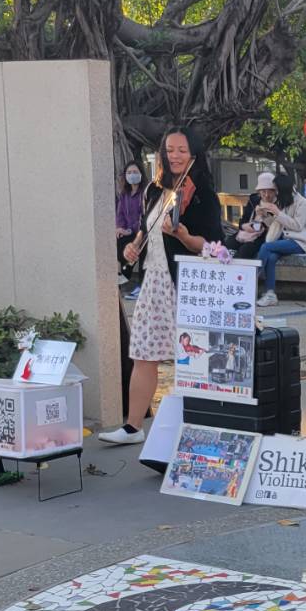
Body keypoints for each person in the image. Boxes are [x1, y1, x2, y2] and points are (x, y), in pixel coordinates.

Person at [100, 128, 224, 444]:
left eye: (182, 149)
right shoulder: (155, 190)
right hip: (154, 281)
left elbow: (212, 244)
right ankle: (132, 427)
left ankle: (193, 428)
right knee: (143, 352)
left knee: (191, 357)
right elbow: (145, 226)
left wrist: (182, 235)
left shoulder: (202, 194)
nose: (175, 156)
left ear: (194, 153)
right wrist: (134, 247)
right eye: (170, 149)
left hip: (184, 284)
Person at [254, 171, 306, 306]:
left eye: (276, 191)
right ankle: (270, 294)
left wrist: (277, 212)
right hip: (287, 240)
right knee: (270, 257)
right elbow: (277, 225)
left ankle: (252, 279)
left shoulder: (302, 203)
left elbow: (297, 226)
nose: (275, 194)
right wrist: (265, 216)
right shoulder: (285, 202)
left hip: (301, 242)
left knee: (266, 247)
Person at [224, 171, 274, 259]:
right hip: (246, 232)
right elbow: (243, 220)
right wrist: (245, 226)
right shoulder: (253, 200)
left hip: (263, 237)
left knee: (245, 250)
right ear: (259, 191)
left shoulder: (277, 205)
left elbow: (274, 228)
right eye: (263, 191)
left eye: (270, 191)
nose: (266, 195)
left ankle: (238, 272)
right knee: (227, 245)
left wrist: (265, 216)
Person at [115, 160, 147, 288]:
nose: (132, 175)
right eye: (129, 172)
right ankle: (121, 273)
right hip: (127, 231)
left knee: (130, 245)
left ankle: (127, 275)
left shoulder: (145, 193)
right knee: (117, 240)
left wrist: (129, 230)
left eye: (135, 172)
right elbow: (120, 213)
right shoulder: (125, 194)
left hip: (141, 232)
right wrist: (120, 228)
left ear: (141, 174)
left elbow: (143, 216)